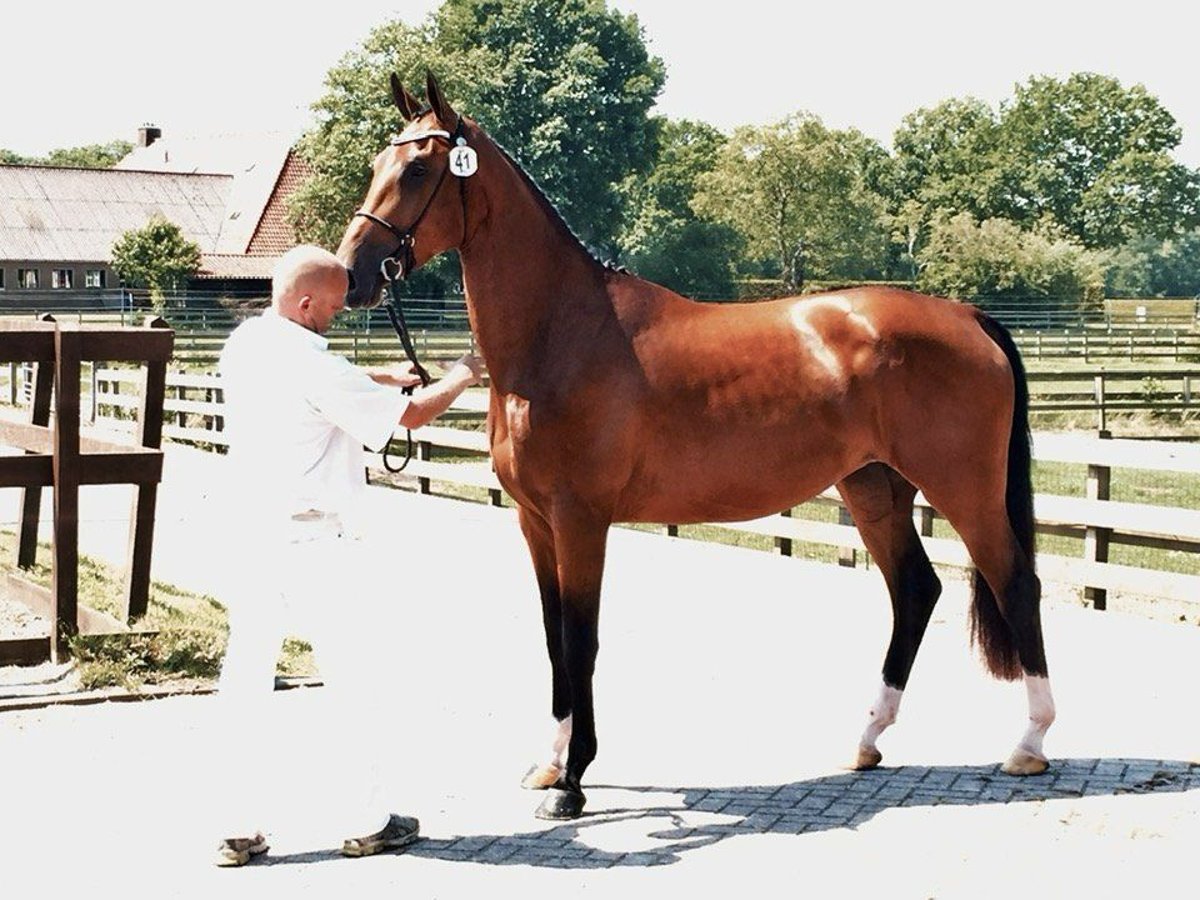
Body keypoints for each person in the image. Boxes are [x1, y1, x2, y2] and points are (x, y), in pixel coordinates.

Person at [212, 244, 483, 866]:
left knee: (246, 677)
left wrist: (379, 378)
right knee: (352, 678)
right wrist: (462, 372)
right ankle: (368, 820)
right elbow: (411, 416)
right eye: (332, 308)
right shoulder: (315, 366)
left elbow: (316, 380)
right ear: (306, 303)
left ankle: (235, 827)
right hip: (310, 541)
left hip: (251, 532)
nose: (335, 317)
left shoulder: (248, 341)